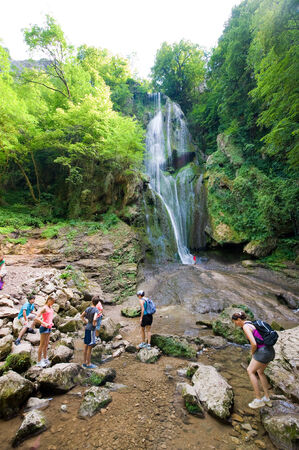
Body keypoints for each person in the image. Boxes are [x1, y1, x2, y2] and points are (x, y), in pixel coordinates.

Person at [232, 311, 275, 409]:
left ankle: (258, 399)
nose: (235, 324)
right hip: (270, 351)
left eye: (235, 322)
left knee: (250, 371)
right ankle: (267, 398)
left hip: (262, 352)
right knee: (260, 372)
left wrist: (253, 353)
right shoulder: (252, 323)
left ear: (239, 320)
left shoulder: (246, 327)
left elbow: (254, 344)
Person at [35, 296, 55, 368]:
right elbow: (36, 318)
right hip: (44, 327)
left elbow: (50, 317)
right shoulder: (44, 308)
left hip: (49, 327)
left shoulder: (50, 307)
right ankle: (39, 361)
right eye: (52, 302)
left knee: (46, 344)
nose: (53, 303)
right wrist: (44, 323)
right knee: (42, 345)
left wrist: (51, 323)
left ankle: (45, 359)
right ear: (49, 300)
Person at [81, 297, 99, 369]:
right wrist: (94, 324)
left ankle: (84, 363)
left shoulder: (88, 308)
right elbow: (94, 318)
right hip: (91, 329)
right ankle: (89, 363)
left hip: (87, 327)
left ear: (92, 301)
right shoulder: (96, 310)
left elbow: (81, 316)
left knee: (85, 345)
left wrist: (86, 322)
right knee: (90, 346)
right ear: (97, 303)